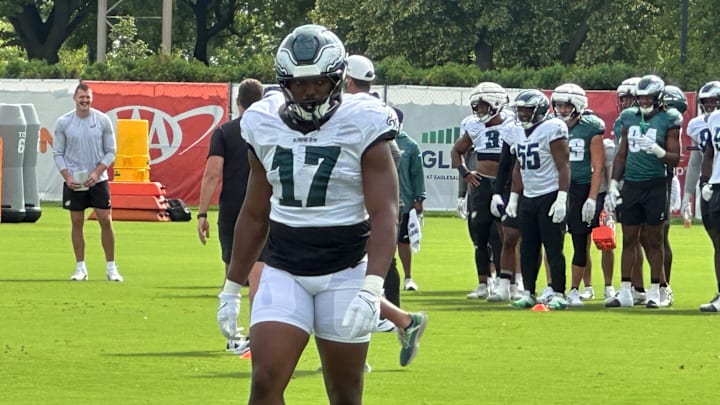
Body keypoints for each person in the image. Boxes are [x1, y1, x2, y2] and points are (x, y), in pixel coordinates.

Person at [214, 25, 407, 404]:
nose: (309, 91)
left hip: (345, 269)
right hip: (285, 267)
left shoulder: (363, 121)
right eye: (299, 83)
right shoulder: (263, 122)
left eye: (319, 81)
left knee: (344, 394)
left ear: (337, 80)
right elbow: (255, 213)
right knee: (265, 384)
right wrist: (232, 286)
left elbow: (384, 212)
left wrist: (371, 287)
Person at [345, 53, 428, 367]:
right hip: (370, 205)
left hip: (361, 206)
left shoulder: (357, 113)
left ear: (346, 80)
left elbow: (386, 157)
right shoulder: (377, 111)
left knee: (345, 282)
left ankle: (395, 326)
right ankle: (403, 320)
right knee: (347, 283)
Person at [197, 78, 265, 354]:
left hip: (233, 210)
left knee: (233, 273)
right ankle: (258, 334)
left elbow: (213, 173)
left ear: (237, 102)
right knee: (259, 275)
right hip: (264, 208)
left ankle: (233, 335)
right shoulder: (272, 130)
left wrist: (201, 213)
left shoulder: (225, 132)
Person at [605, 74, 681, 309]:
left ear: (658, 97)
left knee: (655, 239)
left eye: (648, 97)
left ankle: (657, 289)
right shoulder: (628, 117)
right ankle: (627, 290)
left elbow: (674, 159)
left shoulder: (670, 118)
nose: (644, 101)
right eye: (641, 97)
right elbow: (621, 154)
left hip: (656, 184)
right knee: (629, 239)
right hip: (632, 185)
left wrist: (659, 152)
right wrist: (614, 183)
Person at [505, 89, 570, 310]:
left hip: (550, 194)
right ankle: (529, 292)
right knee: (528, 248)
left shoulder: (552, 128)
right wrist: (514, 197)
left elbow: (563, 165)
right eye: (520, 110)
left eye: (527, 110)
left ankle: (559, 292)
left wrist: (561, 198)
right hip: (529, 196)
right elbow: (518, 166)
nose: (522, 114)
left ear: (539, 110)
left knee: (553, 247)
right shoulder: (515, 131)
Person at [450, 82, 516, 301]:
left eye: (482, 105)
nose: (478, 110)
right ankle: (483, 282)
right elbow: (457, 151)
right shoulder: (473, 126)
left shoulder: (512, 124)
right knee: (479, 234)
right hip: (481, 184)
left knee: (503, 235)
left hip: (503, 184)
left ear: (496, 104)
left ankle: (504, 281)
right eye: (476, 106)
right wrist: (465, 172)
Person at [53, 82, 122, 282]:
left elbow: (111, 151)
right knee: (76, 221)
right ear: (75, 98)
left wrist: (97, 171)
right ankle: (80, 267)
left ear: (91, 99)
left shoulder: (102, 120)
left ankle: (111, 267)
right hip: (74, 179)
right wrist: (67, 177)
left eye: (88, 98)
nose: (85, 101)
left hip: (98, 179)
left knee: (105, 219)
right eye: (81, 98)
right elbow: (58, 153)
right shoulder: (64, 122)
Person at [550, 84, 606, 307]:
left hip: (580, 187)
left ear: (578, 106)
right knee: (552, 239)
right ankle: (553, 287)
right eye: (559, 105)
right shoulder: (550, 126)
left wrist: (592, 197)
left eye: (566, 105)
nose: (562, 110)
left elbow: (598, 166)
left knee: (580, 240)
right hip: (554, 187)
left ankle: (574, 289)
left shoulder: (590, 128)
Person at [607, 76, 647, 305]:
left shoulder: (650, 119)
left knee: (649, 239)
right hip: (627, 181)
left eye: (628, 97)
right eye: (621, 98)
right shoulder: (621, 121)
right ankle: (636, 287)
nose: (623, 102)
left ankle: (657, 286)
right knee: (631, 238)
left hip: (646, 181)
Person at [390, 107, 426, 291]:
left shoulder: (409, 145)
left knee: (403, 241)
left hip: (403, 200)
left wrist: (419, 198)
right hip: (379, 202)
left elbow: (417, 174)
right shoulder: (375, 140)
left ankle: (408, 278)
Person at [682, 81, 720, 227]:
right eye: (706, 101)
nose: (710, 105)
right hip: (709, 183)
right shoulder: (696, 124)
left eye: (714, 101)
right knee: (712, 229)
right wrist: (687, 195)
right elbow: (695, 162)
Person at [698, 104, 720, 312]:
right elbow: (710, 152)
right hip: (717, 184)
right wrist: (705, 181)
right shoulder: (714, 118)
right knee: (718, 242)